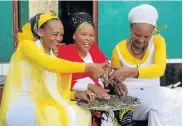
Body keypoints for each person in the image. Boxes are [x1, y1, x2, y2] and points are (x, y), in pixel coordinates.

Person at [0, 11, 108, 126]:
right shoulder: (26, 46)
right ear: (41, 32)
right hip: (23, 104)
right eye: (55, 34)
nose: (59, 38)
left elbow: (56, 90)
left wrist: (77, 94)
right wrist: (88, 67)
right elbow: (50, 64)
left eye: (61, 35)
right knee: (52, 115)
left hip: (43, 102)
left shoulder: (52, 53)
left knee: (82, 112)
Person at [110, 4, 182, 126]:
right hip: (129, 97)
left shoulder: (158, 41)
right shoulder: (118, 49)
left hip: (153, 95)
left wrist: (128, 71)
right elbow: (114, 78)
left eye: (147, 36)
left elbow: (159, 70)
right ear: (131, 28)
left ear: (153, 32)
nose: (141, 40)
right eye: (137, 35)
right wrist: (117, 84)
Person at [58, 12, 129, 126]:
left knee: (126, 109)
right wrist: (90, 86)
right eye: (84, 34)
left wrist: (115, 84)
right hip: (79, 99)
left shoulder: (95, 51)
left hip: (99, 99)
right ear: (74, 35)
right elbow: (61, 81)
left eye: (91, 35)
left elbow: (107, 74)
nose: (88, 39)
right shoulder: (65, 52)